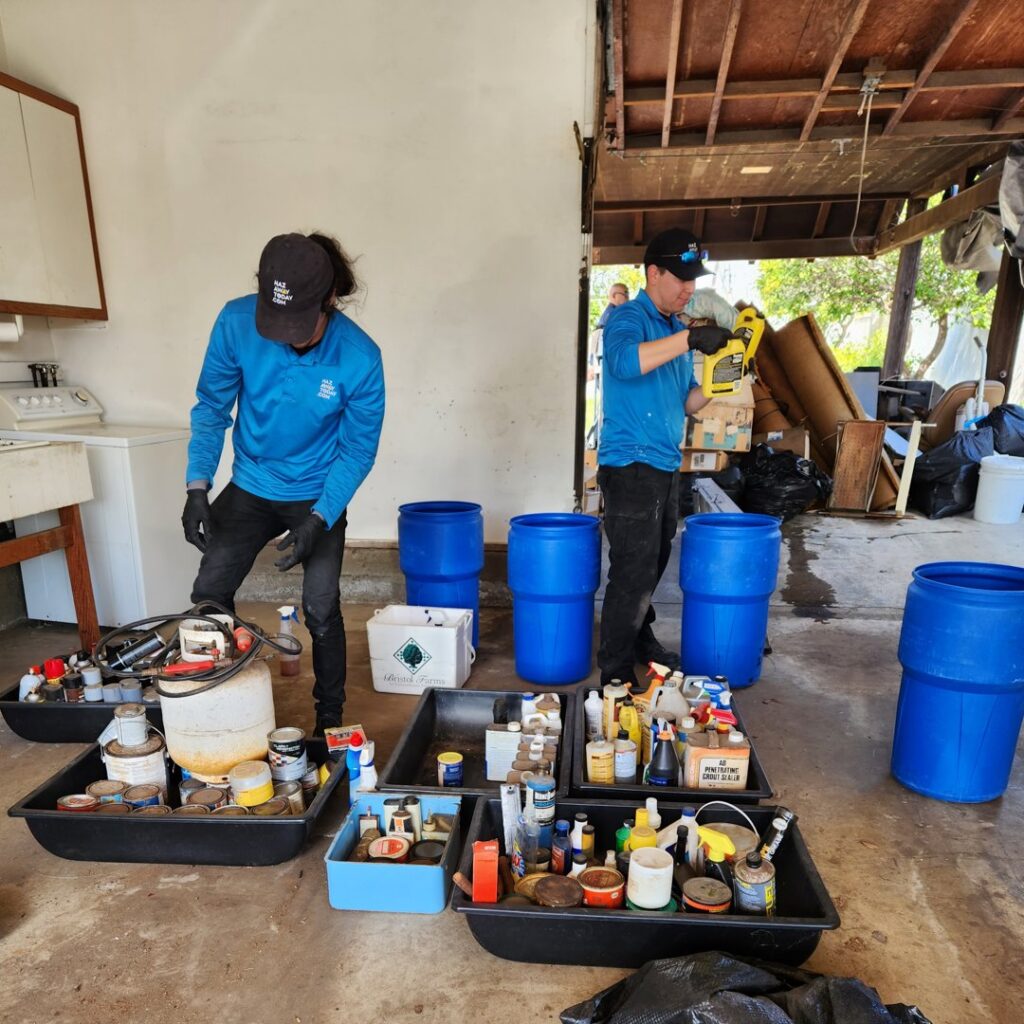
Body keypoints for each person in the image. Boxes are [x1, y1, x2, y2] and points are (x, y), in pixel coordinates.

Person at [181, 232, 385, 734]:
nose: (286, 337)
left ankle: (329, 715)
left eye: (300, 326)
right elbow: (211, 407)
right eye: (277, 324)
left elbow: (358, 449)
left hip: (316, 493)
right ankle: (223, 697)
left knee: (320, 605)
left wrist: (320, 518)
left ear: (329, 300)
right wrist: (197, 486)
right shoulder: (235, 322)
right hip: (251, 483)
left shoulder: (360, 357)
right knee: (209, 588)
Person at [596, 228, 734, 688]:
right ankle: (614, 674)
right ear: (653, 273)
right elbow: (623, 363)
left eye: (694, 280)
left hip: (663, 464)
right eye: (681, 278)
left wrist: (721, 381)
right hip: (629, 465)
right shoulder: (627, 317)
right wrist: (692, 342)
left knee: (653, 564)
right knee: (632, 571)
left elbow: (686, 403)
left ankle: (638, 640)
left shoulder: (676, 330)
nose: (690, 289)